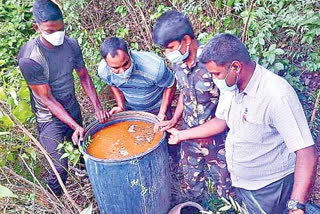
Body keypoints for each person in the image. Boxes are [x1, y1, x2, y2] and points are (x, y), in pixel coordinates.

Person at [166, 33, 318, 214]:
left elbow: (307, 153)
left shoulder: (277, 96)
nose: (214, 80)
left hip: (269, 187)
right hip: (242, 181)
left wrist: (296, 206)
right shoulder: (231, 86)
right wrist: (181, 134)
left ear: (236, 67)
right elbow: (221, 122)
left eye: (216, 74)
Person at [18, 0, 109, 196]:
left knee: (83, 147)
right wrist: (74, 125)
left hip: (71, 105)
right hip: (49, 117)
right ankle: (55, 198)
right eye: (50, 31)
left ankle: (92, 180)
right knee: (59, 166)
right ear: (37, 28)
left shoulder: (71, 45)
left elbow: (83, 75)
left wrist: (97, 107)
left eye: (61, 28)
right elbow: (47, 99)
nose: (58, 35)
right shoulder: (30, 58)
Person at [152, 10, 232, 202]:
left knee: (226, 191)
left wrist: (181, 135)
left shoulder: (213, 64)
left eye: (170, 48)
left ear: (186, 40)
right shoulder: (179, 63)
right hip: (188, 139)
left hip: (217, 142)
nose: (167, 54)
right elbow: (184, 94)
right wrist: (173, 120)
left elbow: (225, 116)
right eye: (164, 50)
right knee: (192, 188)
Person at [97, 37, 176, 120]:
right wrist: (120, 106)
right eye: (115, 68)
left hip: (158, 108)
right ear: (107, 63)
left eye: (125, 64)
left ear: (129, 54)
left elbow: (170, 84)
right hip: (131, 111)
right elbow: (113, 85)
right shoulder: (104, 71)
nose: (123, 71)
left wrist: (162, 112)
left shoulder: (154, 67)